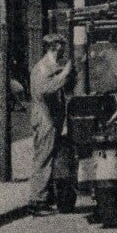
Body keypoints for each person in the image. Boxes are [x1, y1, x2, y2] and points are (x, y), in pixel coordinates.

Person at [27, 33, 72, 213]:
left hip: (52, 118)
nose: (63, 51)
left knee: (51, 156)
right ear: (56, 47)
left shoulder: (52, 67)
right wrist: (66, 73)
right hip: (45, 118)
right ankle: (37, 200)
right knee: (43, 157)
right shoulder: (42, 68)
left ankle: (47, 196)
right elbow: (47, 88)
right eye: (62, 47)